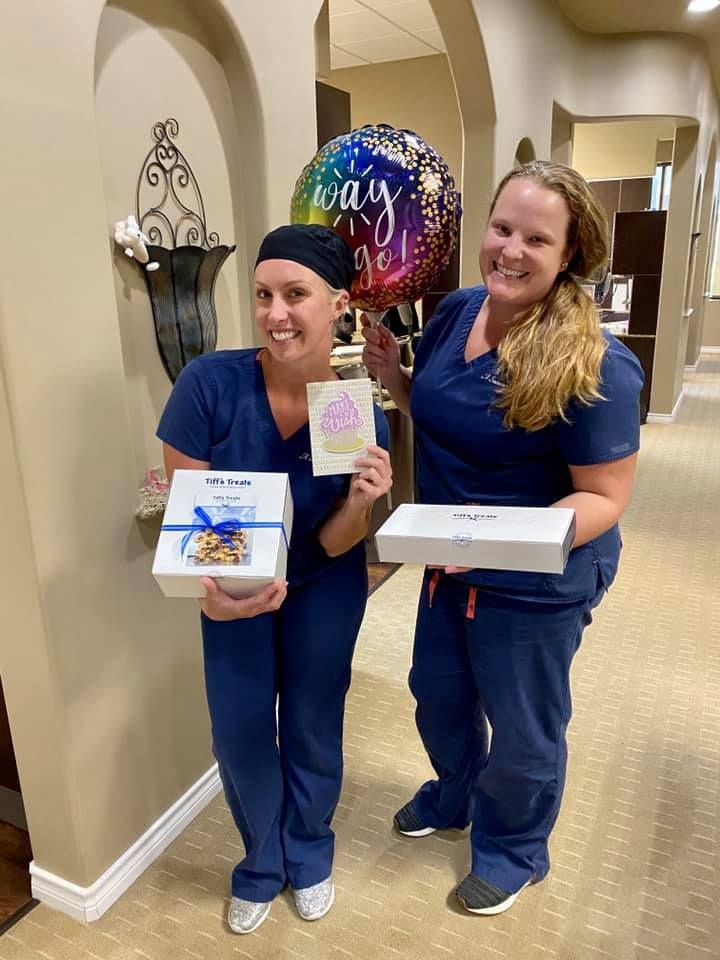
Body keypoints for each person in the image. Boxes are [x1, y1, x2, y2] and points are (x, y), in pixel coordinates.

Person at [362, 160, 643, 916]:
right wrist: (396, 381)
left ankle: (514, 846)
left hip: (534, 580)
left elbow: (606, 497)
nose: (510, 250)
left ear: (570, 256)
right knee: (438, 695)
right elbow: (449, 414)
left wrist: (499, 543)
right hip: (448, 560)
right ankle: (454, 793)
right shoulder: (458, 311)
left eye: (536, 239)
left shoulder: (597, 364)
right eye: (502, 228)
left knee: (524, 728)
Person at [158, 224, 392, 934]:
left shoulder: (349, 407)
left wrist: (359, 503)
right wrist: (219, 599)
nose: (276, 313)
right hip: (234, 583)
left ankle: (309, 851)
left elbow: (331, 541)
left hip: (325, 581)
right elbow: (191, 516)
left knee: (315, 721)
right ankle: (261, 861)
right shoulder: (210, 385)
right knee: (239, 731)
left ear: (338, 304)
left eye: (296, 294)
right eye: (263, 295)